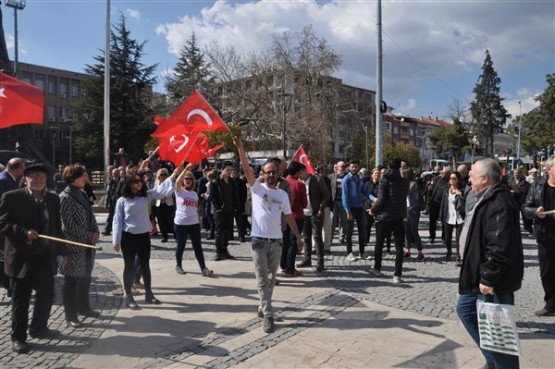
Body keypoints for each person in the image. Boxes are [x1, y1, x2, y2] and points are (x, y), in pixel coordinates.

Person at [456, 158, 523, 369]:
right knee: (465, 310)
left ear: (484, 178)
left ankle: (502, 364)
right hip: (479, 275)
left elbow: (500, 244)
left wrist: (489, 276)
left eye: (473, 175)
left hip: (492, 279)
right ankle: (493, 360)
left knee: (498, 332)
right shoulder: (486, 197)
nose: (469, 180)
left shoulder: (498, 202)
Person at [233, 136, 303, 334]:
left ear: (278, 173)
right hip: (258, 242)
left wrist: (298, 237)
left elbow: (289, 216)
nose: (271, 175)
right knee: (262, 279)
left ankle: (263, 307)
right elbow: (247, 169)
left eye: (274, 172)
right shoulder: (256, 188)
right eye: (267, 172)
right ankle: (269, 314)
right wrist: (240, 147)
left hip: (277, 242)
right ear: (262, 174)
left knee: (271, 279)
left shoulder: (281, 194)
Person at [0, 163, 67, 354]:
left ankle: (39, 328)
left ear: (46, 180)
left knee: (46, 295)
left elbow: (56, 228)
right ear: (25, 178)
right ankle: (18, 337)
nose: (38, 179)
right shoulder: (12, 197)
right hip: (21, 257)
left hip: (45, 257)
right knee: (21, 299)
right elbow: (2, 223)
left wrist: (61, 252)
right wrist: (23, 232)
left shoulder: (53, 199)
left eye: (42, 176)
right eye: (33, 176)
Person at [112, 161, 181, 309]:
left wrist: (174, 175)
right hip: (128, 236)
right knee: (129, 266)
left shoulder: (146, 196)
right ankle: (129, 296)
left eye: (141, 181)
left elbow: (161, 190)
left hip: (143, 235)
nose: (139, 184)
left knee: (145, 265)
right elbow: (117, 221)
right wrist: (115, 240)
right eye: (136, 182)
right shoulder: (122, 201)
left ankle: (149, 293)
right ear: (129, 183)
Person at [59, 164, 100, 328]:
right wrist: (88, 235)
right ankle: (71, 315)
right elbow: (68, 226)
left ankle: (85, 308)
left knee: (85, 279)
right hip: (74, 247)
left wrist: (95, 231)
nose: (85, 178)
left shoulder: (82, 193)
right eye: (82, 175)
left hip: (88, 246)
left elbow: (91, 215)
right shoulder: (64, 197)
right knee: (71, 282)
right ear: (72, 177)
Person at [523, 155, 555, 316]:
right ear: (548, 169)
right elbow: (526, 208)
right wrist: (535, 212)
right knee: (546, 272)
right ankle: (550, 304)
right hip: (545, 235)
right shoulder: (537, 186)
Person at [368, 157, 409, 283]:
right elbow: (404, 195)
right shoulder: (404, 181)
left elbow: (381, 200)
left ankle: (377, 268)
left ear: (388, 166)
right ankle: (397, 274)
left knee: (379, 244)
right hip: (399, 216)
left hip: (384, 217)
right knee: (398, 247)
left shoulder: (384, 179)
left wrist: (372, 210)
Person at [173, 169, 213, 276]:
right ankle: (178, 265)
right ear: (183, 180)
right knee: (181, 245)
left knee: (198, 247)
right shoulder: (179, 191)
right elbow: (177, 181)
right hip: (181, 223)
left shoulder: (194, 194)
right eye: (186, 178)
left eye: (191, 179)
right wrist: (185, 169)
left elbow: (196, 210)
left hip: (194, 223)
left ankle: (203, 268)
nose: (188, 180)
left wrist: (199, 222)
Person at [297, 164, 329, 271]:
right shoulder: (299, 182)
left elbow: (326, 195)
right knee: (306, 237)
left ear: (304, 171)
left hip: (316, 213)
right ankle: (307, 259)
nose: (299, 175)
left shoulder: (317, 179)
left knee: (317, 237)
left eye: (300, 173)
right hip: (304, 213)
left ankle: (320, 262)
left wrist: (321, 208)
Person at [342, 160, 374, 261]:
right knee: (349, 232)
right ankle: (349, 253)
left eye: (356, 166)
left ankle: (362, 252)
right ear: (349, 168)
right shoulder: (346, 179)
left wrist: (373, 198)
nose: (354, 168)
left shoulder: (359, 179)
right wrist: (348, 211)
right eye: (352, 167)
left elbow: (365, 191)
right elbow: (345, 196)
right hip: (350, 208)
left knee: (362, 230)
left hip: (360, 207)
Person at [209, 161, 239, 260]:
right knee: (219, 232)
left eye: (231, 169)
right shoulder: (215, 181)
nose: (230, 171)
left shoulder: (232, 181)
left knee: (227, 231)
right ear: (222, 169)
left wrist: (235, 207)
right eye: (228, 169)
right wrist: (217, 208)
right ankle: (218, 251)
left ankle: (225, 250)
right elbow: (212, 197)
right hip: (220, 211)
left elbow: (235, 195)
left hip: (230, 210)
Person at [281, 161, 307, 276]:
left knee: (285, 241)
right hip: (297, 216)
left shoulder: (282, 182)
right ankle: (290, 267)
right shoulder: (299, 185)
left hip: (283, 217)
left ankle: (283, 264)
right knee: (294, 242)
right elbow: (305, 204)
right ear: (297, 173)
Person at [439, 171, 465, 265]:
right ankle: (449, 252)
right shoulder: (446, 190)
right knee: (447, 238)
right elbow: (443, 204)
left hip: (459, 218)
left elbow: (465, 204)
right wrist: (441, 217)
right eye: (450, 178)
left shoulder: (462, 190)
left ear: (457, 180)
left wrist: (461, 196)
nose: (451, 180)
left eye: (454, 178)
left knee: (459, 238)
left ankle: (458, 256)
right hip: (448, 217)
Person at [402, 169, 423, 260]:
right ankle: (407, 250)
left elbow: (405, 192)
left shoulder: (413, 184)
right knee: (406, 230)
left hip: (413, 209)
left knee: (414, 231)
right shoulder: (405, 184)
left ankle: (420, 251)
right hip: (405, 209)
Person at [427, 166, 450, 244]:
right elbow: (432, 189)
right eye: (442, 171)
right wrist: (429, 200)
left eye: (443, 172)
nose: (441, 172)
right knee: (432, 221)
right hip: (434, 203)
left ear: (448, 173)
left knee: (444, 221)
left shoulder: (450, 181)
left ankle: (444, 237)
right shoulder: (438, 179)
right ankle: (432, 237)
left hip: (444, 204)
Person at [154, 168, 175, 243]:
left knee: (170, 219)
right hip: (159, 203)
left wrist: (165, 196)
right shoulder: (157, 182)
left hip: (168, 202)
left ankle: (175, 235)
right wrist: (160, 196)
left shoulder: (170, 182)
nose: (163, 176)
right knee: (161, 220)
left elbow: (172, 190)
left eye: (165, 174)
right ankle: (164, 236)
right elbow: (155, 192)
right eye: (161, 174)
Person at [329, 160, 348, 244]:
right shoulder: (331, 177)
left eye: (344, 166)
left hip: (344, 202)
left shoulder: (348, 177)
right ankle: (330, 238)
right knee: (332, 220)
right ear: (337, 168)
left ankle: (342, 237)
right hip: (334, 202)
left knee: (343, 221)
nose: (343, 168)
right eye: (342, 166)